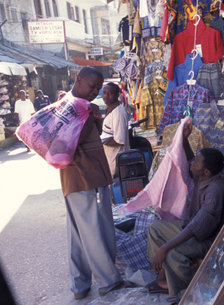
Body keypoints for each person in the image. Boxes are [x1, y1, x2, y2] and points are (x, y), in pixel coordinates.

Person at [146, 121, 224, 300]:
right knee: (154, 229)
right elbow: (189, 158)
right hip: (194, 229)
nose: (192, 163)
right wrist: (184, 139)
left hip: (210, 240)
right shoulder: (205, 175)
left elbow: (196, 227)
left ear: (206, 171)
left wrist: (165, 247)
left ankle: (191, 283)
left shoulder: (215, 191)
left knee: (172, 254)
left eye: (197, 162)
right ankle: (165, 277)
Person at [60, 67, 122, 299]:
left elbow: (91, 134)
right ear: (78, 81)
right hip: (84, 175)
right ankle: (108, 280)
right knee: (95, 230)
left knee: (78, 233)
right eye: (92, 87)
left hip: (82, 175)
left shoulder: (81, 106)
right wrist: (89, 115)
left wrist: (94, 116)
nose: (95, 92)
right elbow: (68, 142)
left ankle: (80, 285)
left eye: (98, 88)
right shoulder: (71, 106)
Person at [101, 82, 129, 177]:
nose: (106, 96)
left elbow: (119, 140)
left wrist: (101, 141)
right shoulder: (110, 109)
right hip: (109, 158)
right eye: (104, 92)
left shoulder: (118, 113)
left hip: (116, 160)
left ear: (117, 95)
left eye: (110, 93)